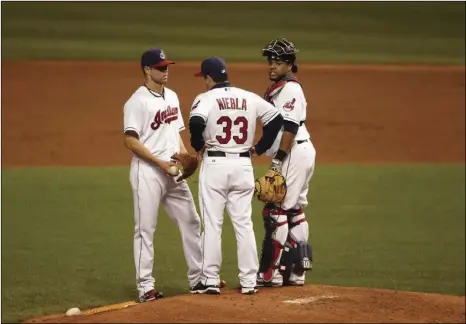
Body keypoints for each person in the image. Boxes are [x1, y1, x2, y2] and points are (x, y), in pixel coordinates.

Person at [188, 57, 284, 295]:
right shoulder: (248, 96)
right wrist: (260, 148)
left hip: (216, 165)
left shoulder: (206, 98)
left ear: (209, 78)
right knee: (244, 225)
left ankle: (210, 280)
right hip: (243, 167)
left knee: (212, 225)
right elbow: (276, 120)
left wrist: (197, 145)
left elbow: (196, 121)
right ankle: (249, 281)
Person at [123, 48, 203, 303]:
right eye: (160, 67)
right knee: (145, 229)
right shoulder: (137, 102)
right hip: (147, 172)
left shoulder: (172, 96)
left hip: (173, 172)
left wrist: (185, 156)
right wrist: (159, 163)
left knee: (192, 221)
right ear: (147, 70)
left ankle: (199, 278)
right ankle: (145, 287)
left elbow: (175, 133)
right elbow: (130, 140)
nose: (165, 70)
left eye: (167, 66)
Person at [255, 38, 317, 287]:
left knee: (275, 211)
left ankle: (271, 274)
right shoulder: (283, 87)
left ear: (290, 65)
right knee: (294, 211)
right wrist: (259, 149)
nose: (272, 66)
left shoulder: (290, 89)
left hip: (293, 152)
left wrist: (278, 161)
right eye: (270, 61)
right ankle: (295, 272)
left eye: (278, 62)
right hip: (301, 150)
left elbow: (289, 126)